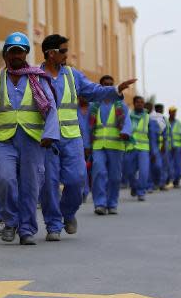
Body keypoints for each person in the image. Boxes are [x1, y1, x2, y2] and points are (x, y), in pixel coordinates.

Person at [38, 34, 134, 238]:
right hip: (46, 138)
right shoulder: (36, 76)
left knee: (77, 179)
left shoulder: (73, 75)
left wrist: (116, 89)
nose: (67, 55)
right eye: (63, 51)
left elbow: (94, 91)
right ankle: (53, 225)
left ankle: (68, 213)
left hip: (71, 136)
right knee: (49, 183)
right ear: (51, 53)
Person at [0, 32, 59, 245]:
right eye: (12, 52)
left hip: (32, 140)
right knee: (4, 179)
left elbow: (51, 107)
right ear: (6, 55)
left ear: (26, 53)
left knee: (30, 185)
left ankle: (26, 229)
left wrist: (50, 134)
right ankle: (10, 221)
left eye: (20, 51)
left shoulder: (38, 78)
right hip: (5, 141)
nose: (16, 55)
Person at [90, 76, 132, 214]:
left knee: (114, 177)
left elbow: (127, 122)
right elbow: (86, 125)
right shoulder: (94, 105)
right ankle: (100, 204)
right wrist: (85, 145)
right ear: (100, 87)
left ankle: (112, 203)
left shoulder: (121, 105)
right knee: (99, 172)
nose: (108, 87)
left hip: (116, 145)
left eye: (110, 84)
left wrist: (126, 132)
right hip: (98, 145)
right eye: (105, 85)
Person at [123, 96, 159, 201]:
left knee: (144, 172)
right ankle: (134, 187)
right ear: (134, 103)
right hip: (130, 148)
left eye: (142, 102)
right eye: (138, 102)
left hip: (143, 149)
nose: (140, 104)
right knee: (129, 172)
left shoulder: (149, 118)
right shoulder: (128, 117)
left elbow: (152, 137)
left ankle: (141, 191)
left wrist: (154, 152)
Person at [78, 96, 92, 203]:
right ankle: (84, 191)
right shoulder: (73, 109)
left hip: (94, 144)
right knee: (81, 169)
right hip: (77, 144)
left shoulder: (94, 109)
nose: (84, 98)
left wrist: (89, 145)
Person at [154, 103, 172, 190]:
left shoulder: (162, 119)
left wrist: (165, 144)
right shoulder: (156, 118)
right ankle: (159, 183)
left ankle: (160, 183)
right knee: (160, 166)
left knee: (161, 166)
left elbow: (166, 133)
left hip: (160, 146)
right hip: (159, 146)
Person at [167, 106, 181, 187]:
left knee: (178, 164)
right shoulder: (165, 123)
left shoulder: (180, 124)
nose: (173, 113)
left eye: (174, 112)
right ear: (169, 113)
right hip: (167, 147)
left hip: (178, 147)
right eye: (172, 112)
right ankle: (167, 178)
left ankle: (176, 181)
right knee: (167, 164)